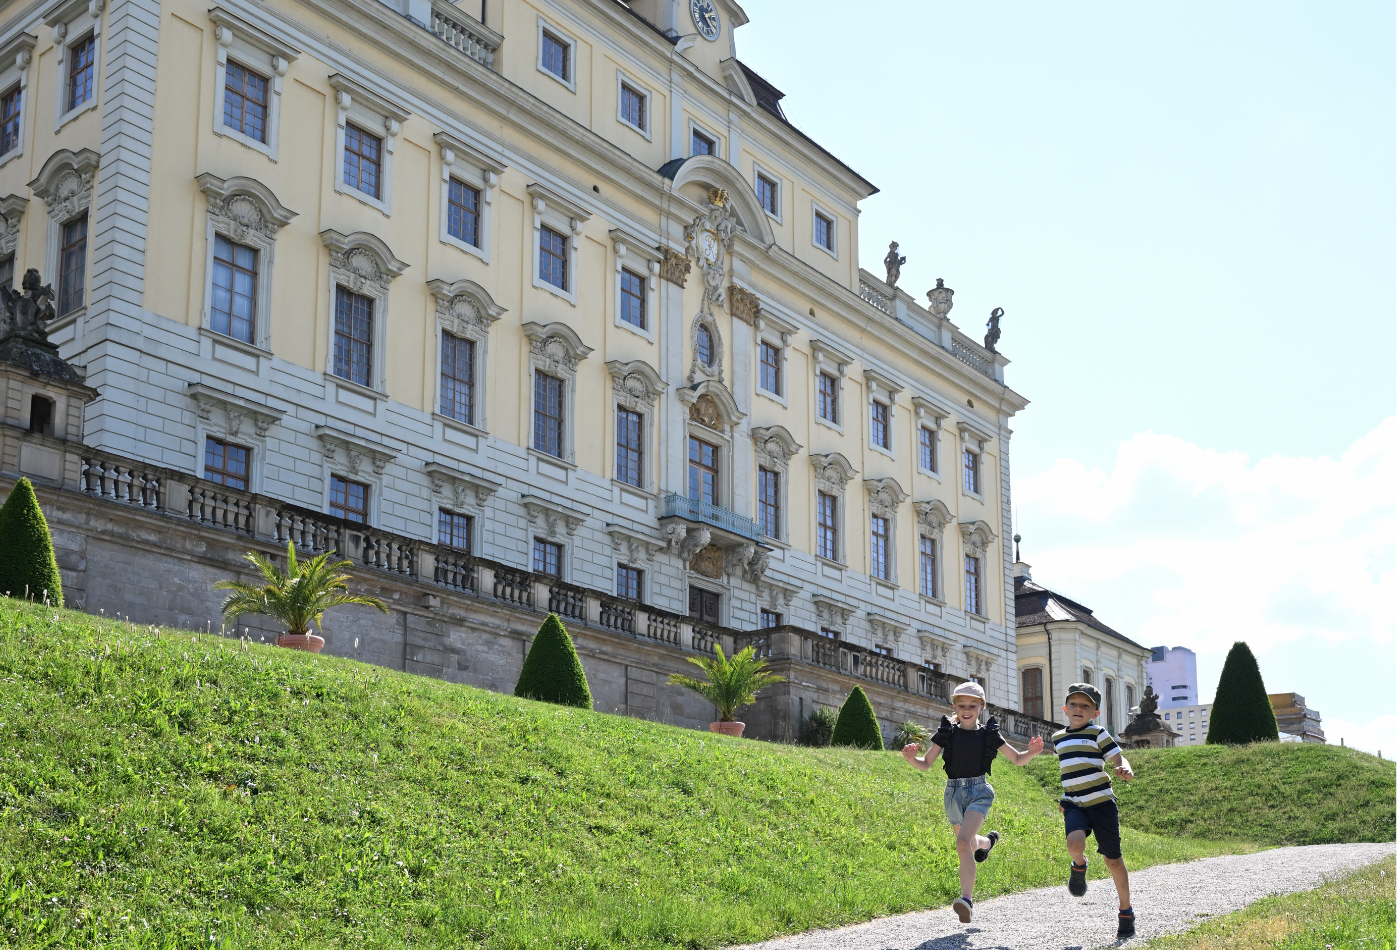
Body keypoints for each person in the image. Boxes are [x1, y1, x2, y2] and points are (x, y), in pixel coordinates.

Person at [902, 681, 1044, 924]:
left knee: (961, 842)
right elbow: (926, 763)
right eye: (961, 705)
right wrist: (911, 758)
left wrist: (1031, 752)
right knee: (967, 843)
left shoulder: (989, 734)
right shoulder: (946, 733)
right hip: (954, 795)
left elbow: (1017, 759)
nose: (966, 710)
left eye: (972, 705)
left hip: (979, 792)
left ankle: (966, 900)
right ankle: (987, 842)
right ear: (955, 707)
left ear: (982, 706)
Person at [1052, 682, 1137, 939]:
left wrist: (1125, 769)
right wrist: (1066, 795)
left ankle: (1126, 911)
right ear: (1065, 708)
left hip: (1101, 803)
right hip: (1075, 802)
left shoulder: (1098, 733)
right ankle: (1079, 866)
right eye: (1074, 704)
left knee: (1113, 860)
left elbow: (1118, 758)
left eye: (1085, 706)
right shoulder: (1057, 738)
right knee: (1074, 844)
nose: (1079, 709)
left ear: (1095, 713)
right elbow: (1068, 767)